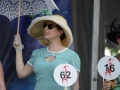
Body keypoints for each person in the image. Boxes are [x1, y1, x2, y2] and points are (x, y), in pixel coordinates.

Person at [13, 15, 81, 90]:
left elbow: (75, 84)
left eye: (50, 26)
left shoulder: (72, 56)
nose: (45, 28)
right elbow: (21, 73)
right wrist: (18, 49)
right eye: (44, 26)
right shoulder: (37, 53)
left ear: (60, 32)